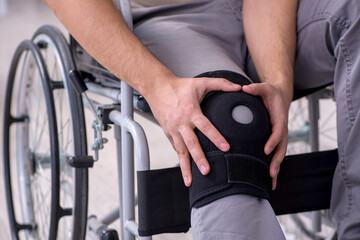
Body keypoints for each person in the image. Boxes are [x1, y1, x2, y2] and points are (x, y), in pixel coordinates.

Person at [43, 0, 360, 239]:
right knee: (230, 122)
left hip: (262, 10)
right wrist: (159, 86)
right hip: (157, 18)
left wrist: (277, 84)